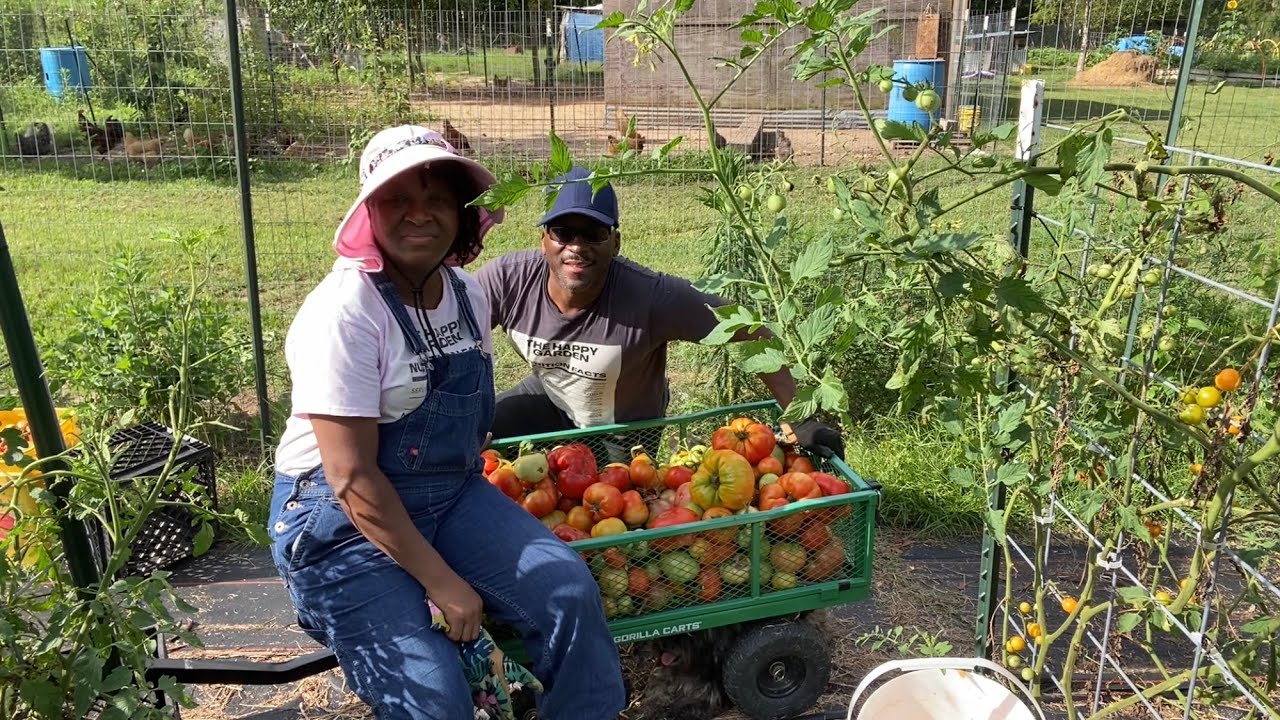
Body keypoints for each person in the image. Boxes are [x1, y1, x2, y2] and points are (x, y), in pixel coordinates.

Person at [268, 128, 626, 720]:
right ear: (369, 210)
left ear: (461, 213)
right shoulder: (345, 313)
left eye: (436, 199)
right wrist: (443, 582)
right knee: (434, 697)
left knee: (566, 591)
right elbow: (353, 479)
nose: (419, 214)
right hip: (341, 524)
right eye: (397, 198)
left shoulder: (465, 293)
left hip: (451, 495)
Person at [475, 166, 845, 460]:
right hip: (552, 397)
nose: (576, 246)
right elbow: (454, 335)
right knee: (477, 433)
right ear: (543, 239)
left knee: (613, 528)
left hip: (624, 430)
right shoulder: (509, 280)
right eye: (563, 231)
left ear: (616, 242)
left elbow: (748, 330)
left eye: (594, 234)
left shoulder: (650, 296)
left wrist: (801, 417)